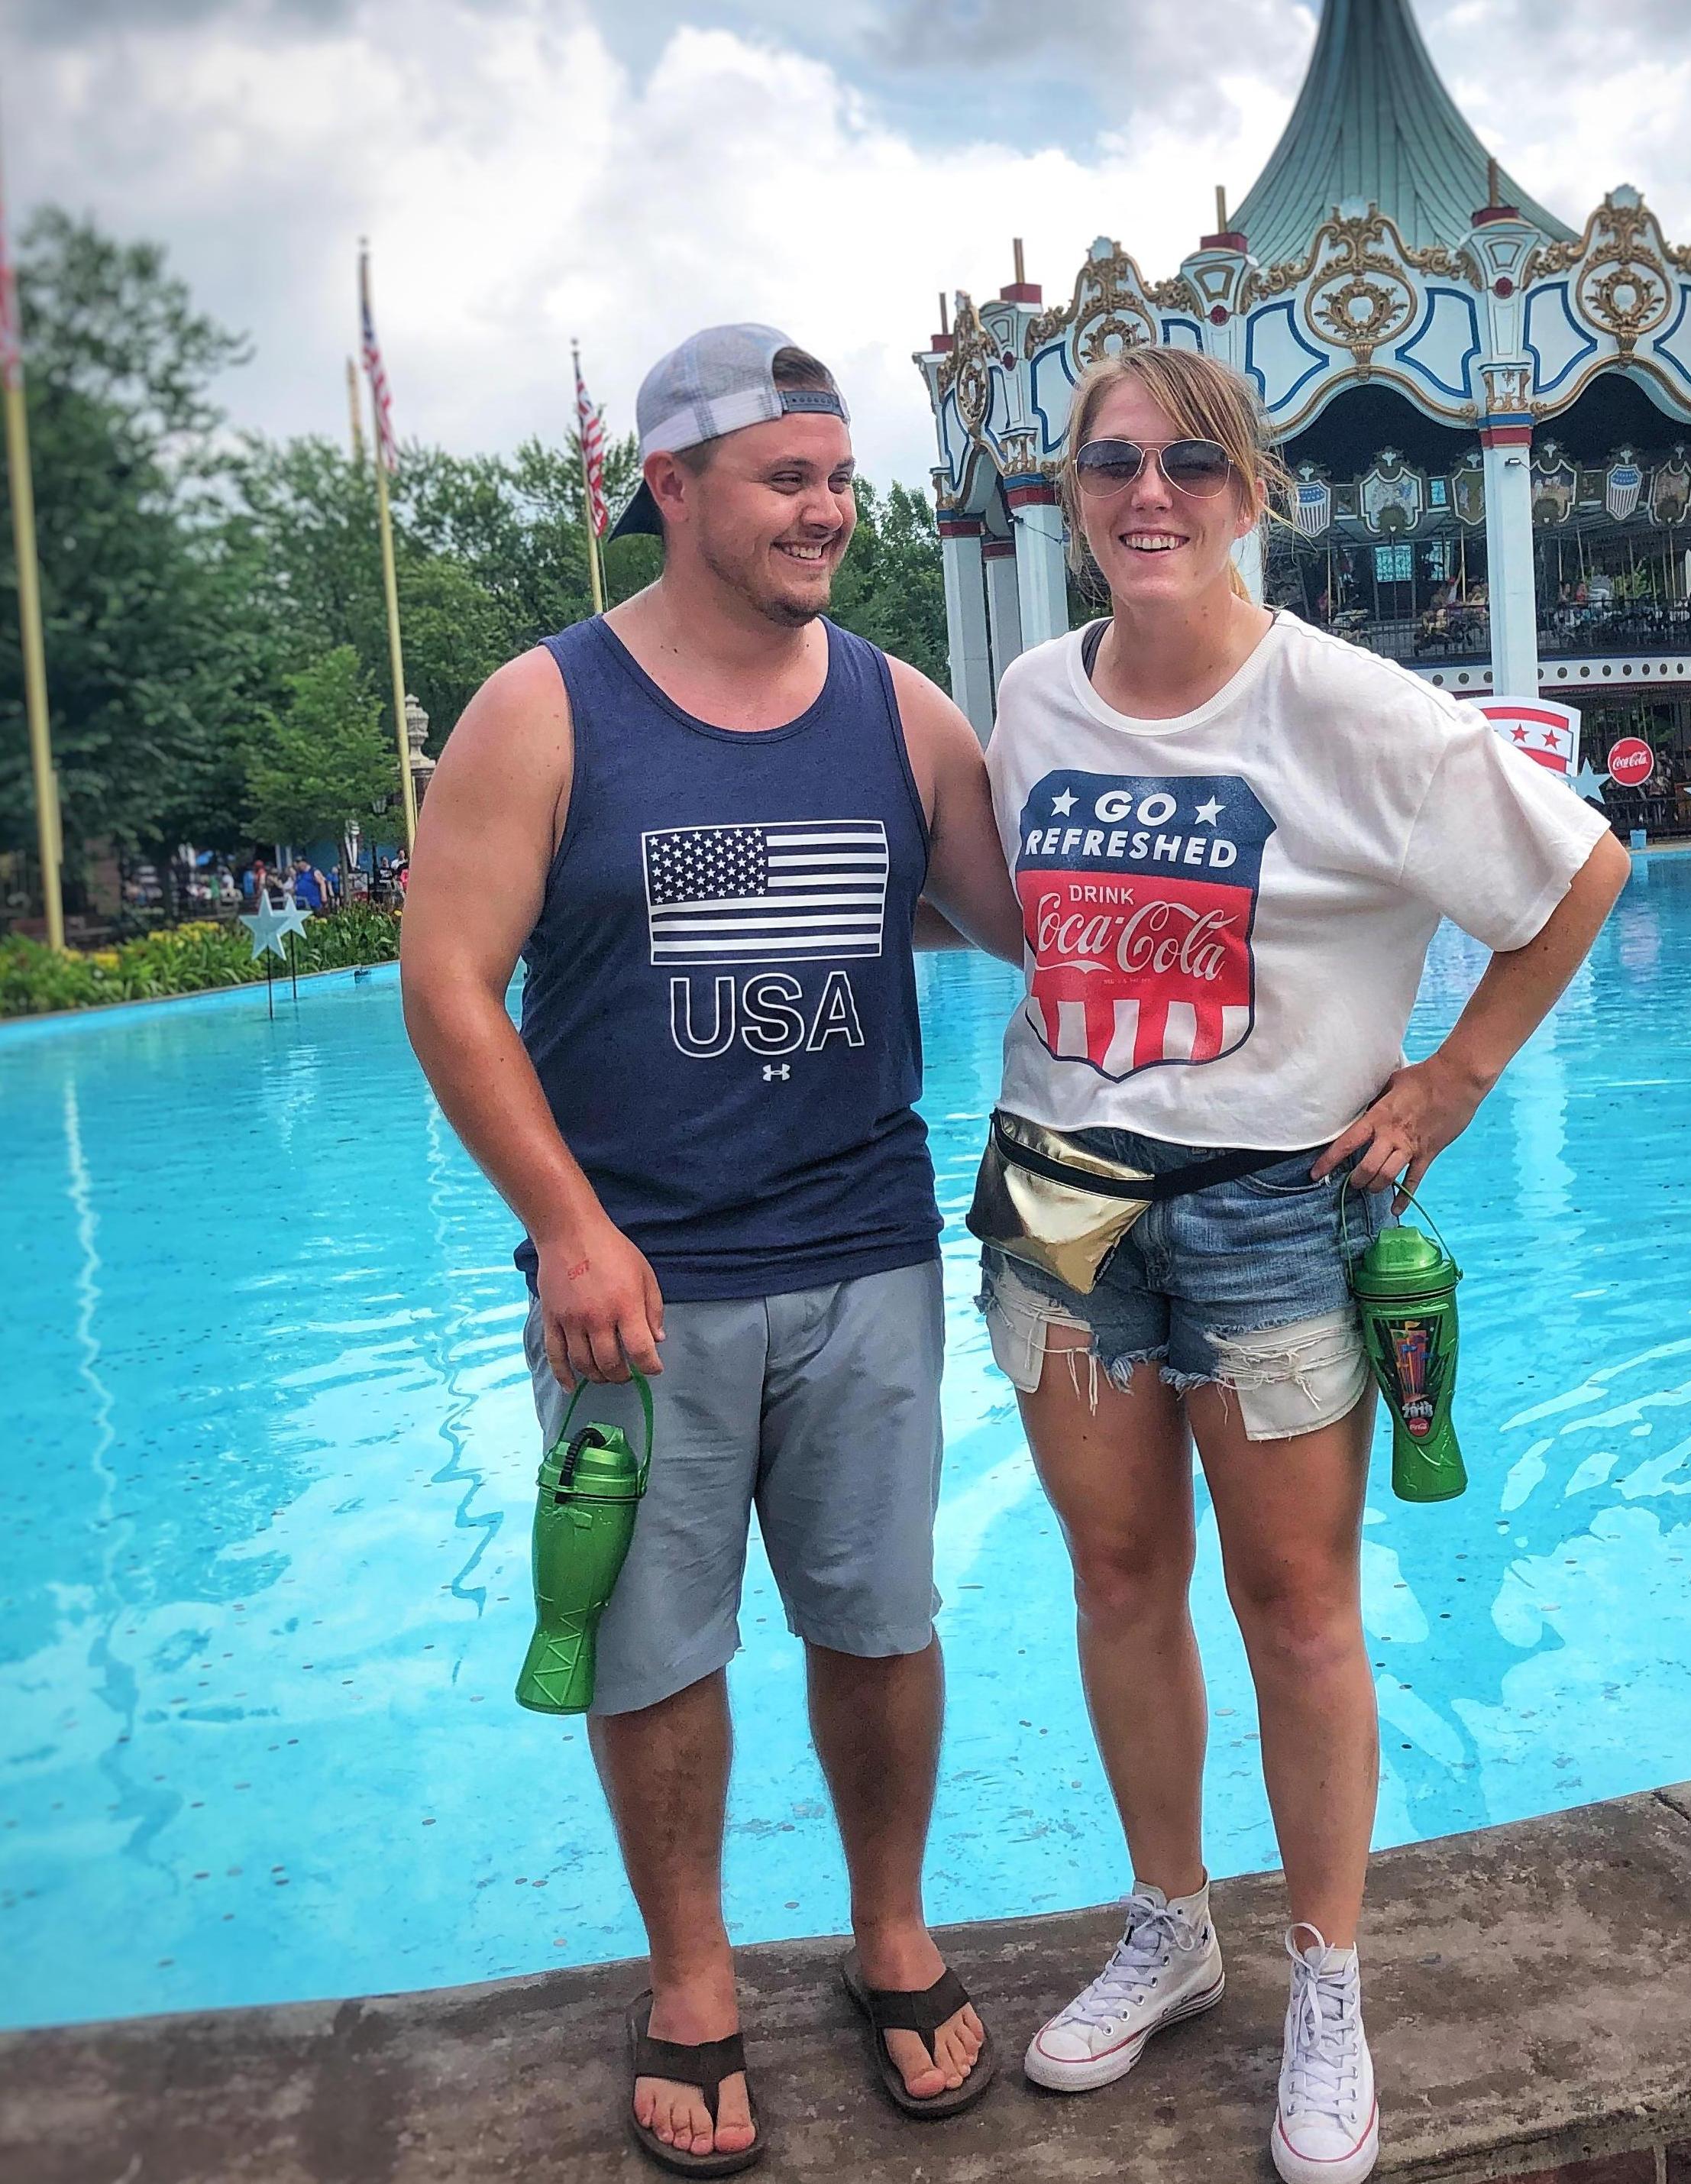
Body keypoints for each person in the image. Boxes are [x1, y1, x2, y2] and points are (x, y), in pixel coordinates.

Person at [978, 347, 1628, 2184]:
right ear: (1072, 496)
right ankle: (1167, 1922)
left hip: (1270, 1207)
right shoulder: (1033, 694)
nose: (1147, 493)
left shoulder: (1346, 708)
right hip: (1059, 1190)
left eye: (1187, 461)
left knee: (1297, 1607)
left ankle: (1325, 1979)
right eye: (1111, 463)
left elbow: (1579, 870)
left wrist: (1446, 1082)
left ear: (1248, 490)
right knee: (1116, 1575)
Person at [402, 325, 1021, 2175]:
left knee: (879, 1616)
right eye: (784, 478)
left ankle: (887, 1929)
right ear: (668, 487)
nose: (826, 510)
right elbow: (446, 982)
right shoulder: (547, 706)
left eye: (838, 478)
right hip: (636, 1286)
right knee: (656, 1652)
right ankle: (689, 1976)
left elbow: (1029, 922)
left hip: (862, 1252)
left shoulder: (901, 709)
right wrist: (567, 1226)